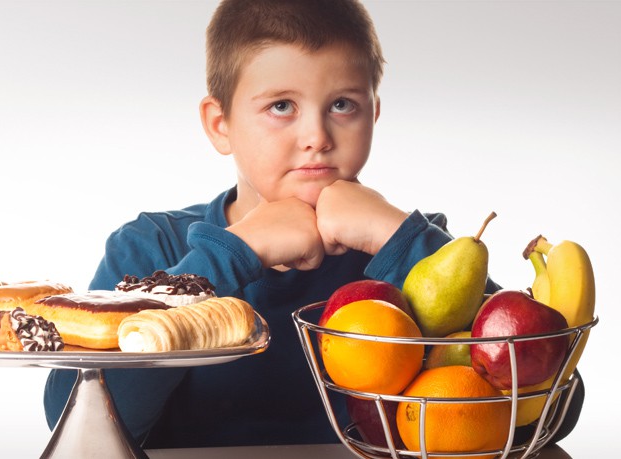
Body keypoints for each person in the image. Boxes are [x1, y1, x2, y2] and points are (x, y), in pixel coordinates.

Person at [44, 0, 583, 448]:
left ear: (374, 114)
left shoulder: (420, 252)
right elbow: (73, 422)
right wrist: (228, 256)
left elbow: (554, 407)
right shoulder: (150, 249)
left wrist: (400, 237)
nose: (317, 137)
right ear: (220, 124)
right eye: (281, 105)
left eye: (342, 104)